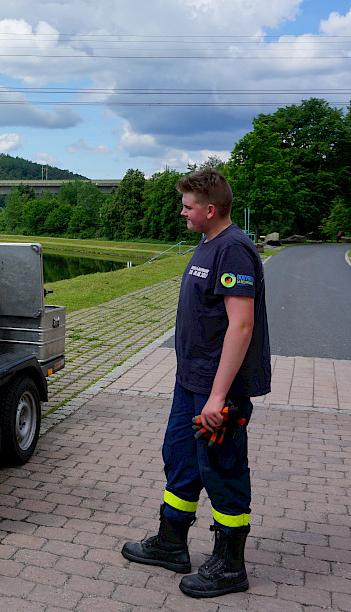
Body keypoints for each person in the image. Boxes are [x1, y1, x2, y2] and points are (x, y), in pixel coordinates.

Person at [121, 169, 270, 598]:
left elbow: (241, 326)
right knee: (181, 460)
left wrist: (220, 396)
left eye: (187, 206)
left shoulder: (234, 251)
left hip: (215, 390)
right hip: (192, 383)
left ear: (210, 209)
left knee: (222, 471)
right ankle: (171, 544)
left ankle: (229, 566)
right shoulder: (208, 245)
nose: (181, 212)